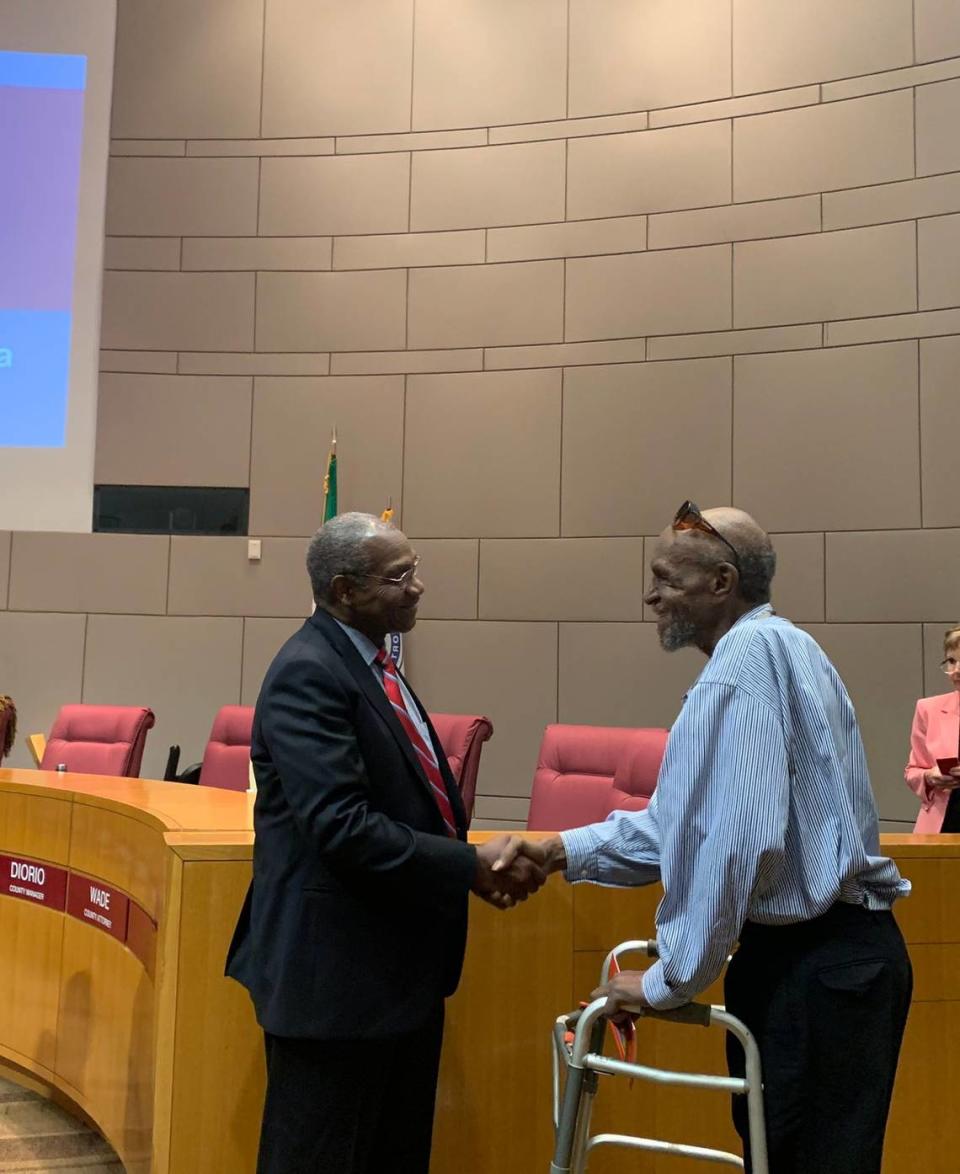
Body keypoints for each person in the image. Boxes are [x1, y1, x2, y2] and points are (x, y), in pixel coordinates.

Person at [498, 501, 912, 1174]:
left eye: (667, 577)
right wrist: (555, 853)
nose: (651, 594)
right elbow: (676, 828)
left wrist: (670, 980)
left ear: (722, 583)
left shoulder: (744, 661)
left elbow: (737, 842)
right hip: (834, 964)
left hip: (818, 965)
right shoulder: (780, 649)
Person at [226, 512, 543, 1174]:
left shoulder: (372, 667)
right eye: (400, 577)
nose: (418, 587)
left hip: (392, 976)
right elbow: (340, 824)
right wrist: (467, 866)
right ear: (345, 590)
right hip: (335, 985)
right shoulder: (309, 672)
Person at [905, 624, 960, 832]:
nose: (956, 670)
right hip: (940, 828)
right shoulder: (928, 709)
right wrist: (929, 777)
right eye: (952, 661)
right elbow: (912, 772)